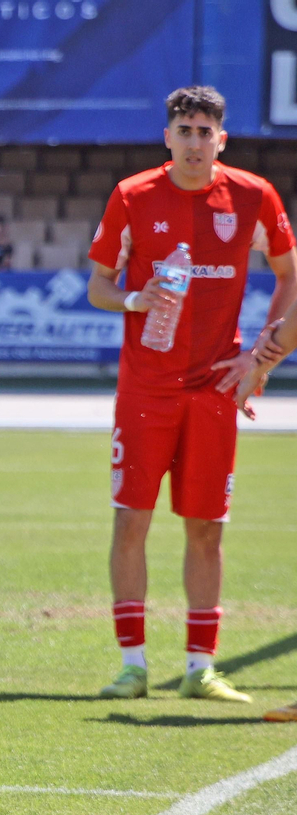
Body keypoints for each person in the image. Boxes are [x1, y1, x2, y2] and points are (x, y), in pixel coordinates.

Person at [87, 85, 297, 704]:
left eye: (207, 131)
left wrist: (259, 355)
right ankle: (132, 665)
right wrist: (135, 298)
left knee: (207, 528)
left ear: (221, 139)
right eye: (186, 130)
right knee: (132, 520)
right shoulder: (133, 196)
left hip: (214, 386)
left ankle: (200, 667)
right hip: (145, 388)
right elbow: (98, 285)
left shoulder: (253, 196)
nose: (196, 141)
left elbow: (288, 275)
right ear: (168, 137)